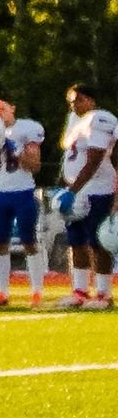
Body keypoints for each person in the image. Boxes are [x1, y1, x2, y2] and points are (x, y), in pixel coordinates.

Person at [0, 93, 45, 307]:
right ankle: (2, 292)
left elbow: (35, 166)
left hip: (23, 191)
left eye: (2, 108)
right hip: (0, 192)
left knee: (28, 241)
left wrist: (13, 148)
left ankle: (36, 291)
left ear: (12, 108)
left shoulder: (26, 128)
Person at [58, 84, 116, 309]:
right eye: (72, 101)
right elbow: (70, 157)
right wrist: (66, 186)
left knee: (98, 242)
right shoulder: (73, 119)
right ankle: (79, 291)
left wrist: (73, 190)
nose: (74, 105)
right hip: (77, 190)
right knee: (76, 242)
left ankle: (103, 294)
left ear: (90, 100)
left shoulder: (99, 118)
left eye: (79, 99)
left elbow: (94, 159)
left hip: (97, 190)